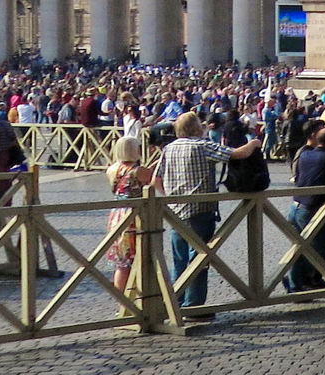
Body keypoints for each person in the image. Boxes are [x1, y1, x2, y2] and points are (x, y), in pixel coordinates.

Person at [154, 110, 255, 310]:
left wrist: (170, 198)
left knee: (180, 259)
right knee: (198, 258)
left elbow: (155, 180)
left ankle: (177, 301)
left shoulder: (169, 148)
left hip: (175, 211)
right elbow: (236, 154)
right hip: (200, 209)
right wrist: (254, 143)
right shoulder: (202, 145)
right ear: (196, 128)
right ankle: (195, 306)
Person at [286, 123, 325, 292]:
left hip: (296, 206)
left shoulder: (305, 154)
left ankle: (308, 280)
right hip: (313, 209)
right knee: (321, 250)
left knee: (302, 246)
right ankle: (292, 280)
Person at [102, 135, 155, 300]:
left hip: (118, 213)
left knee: (122, 263)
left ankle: (122, 302)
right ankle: (136, 300)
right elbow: (151, 177)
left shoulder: (112, 169)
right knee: (137, 258)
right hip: (133, 216)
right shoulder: (137, 171)